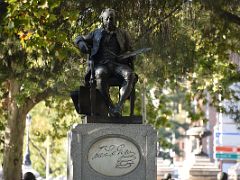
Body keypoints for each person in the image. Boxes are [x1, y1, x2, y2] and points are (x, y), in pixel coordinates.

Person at [74, 8, 135, 117]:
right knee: (100, 73)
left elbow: (131, 50)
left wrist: (128, 55)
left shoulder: (123, 33)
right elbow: (78, 38)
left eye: (111, 19)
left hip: (118, 65)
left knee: (130, 74)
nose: (109, 21)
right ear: (102, 20)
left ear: (115, 19)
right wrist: (81, 44)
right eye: (107, 19)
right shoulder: (96, 33)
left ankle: (119, 106)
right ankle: (110, 106)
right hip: (101, 64)